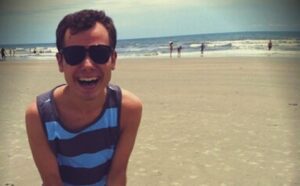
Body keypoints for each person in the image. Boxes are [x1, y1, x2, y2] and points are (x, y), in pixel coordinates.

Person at [25, 9, 143, 186]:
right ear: (60, 62)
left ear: (113, 59)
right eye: (74, 55)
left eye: (100, 53)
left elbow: (117, 173)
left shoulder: (127, 108)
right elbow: (52, 180)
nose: (87, 65)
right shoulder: (39, 115)